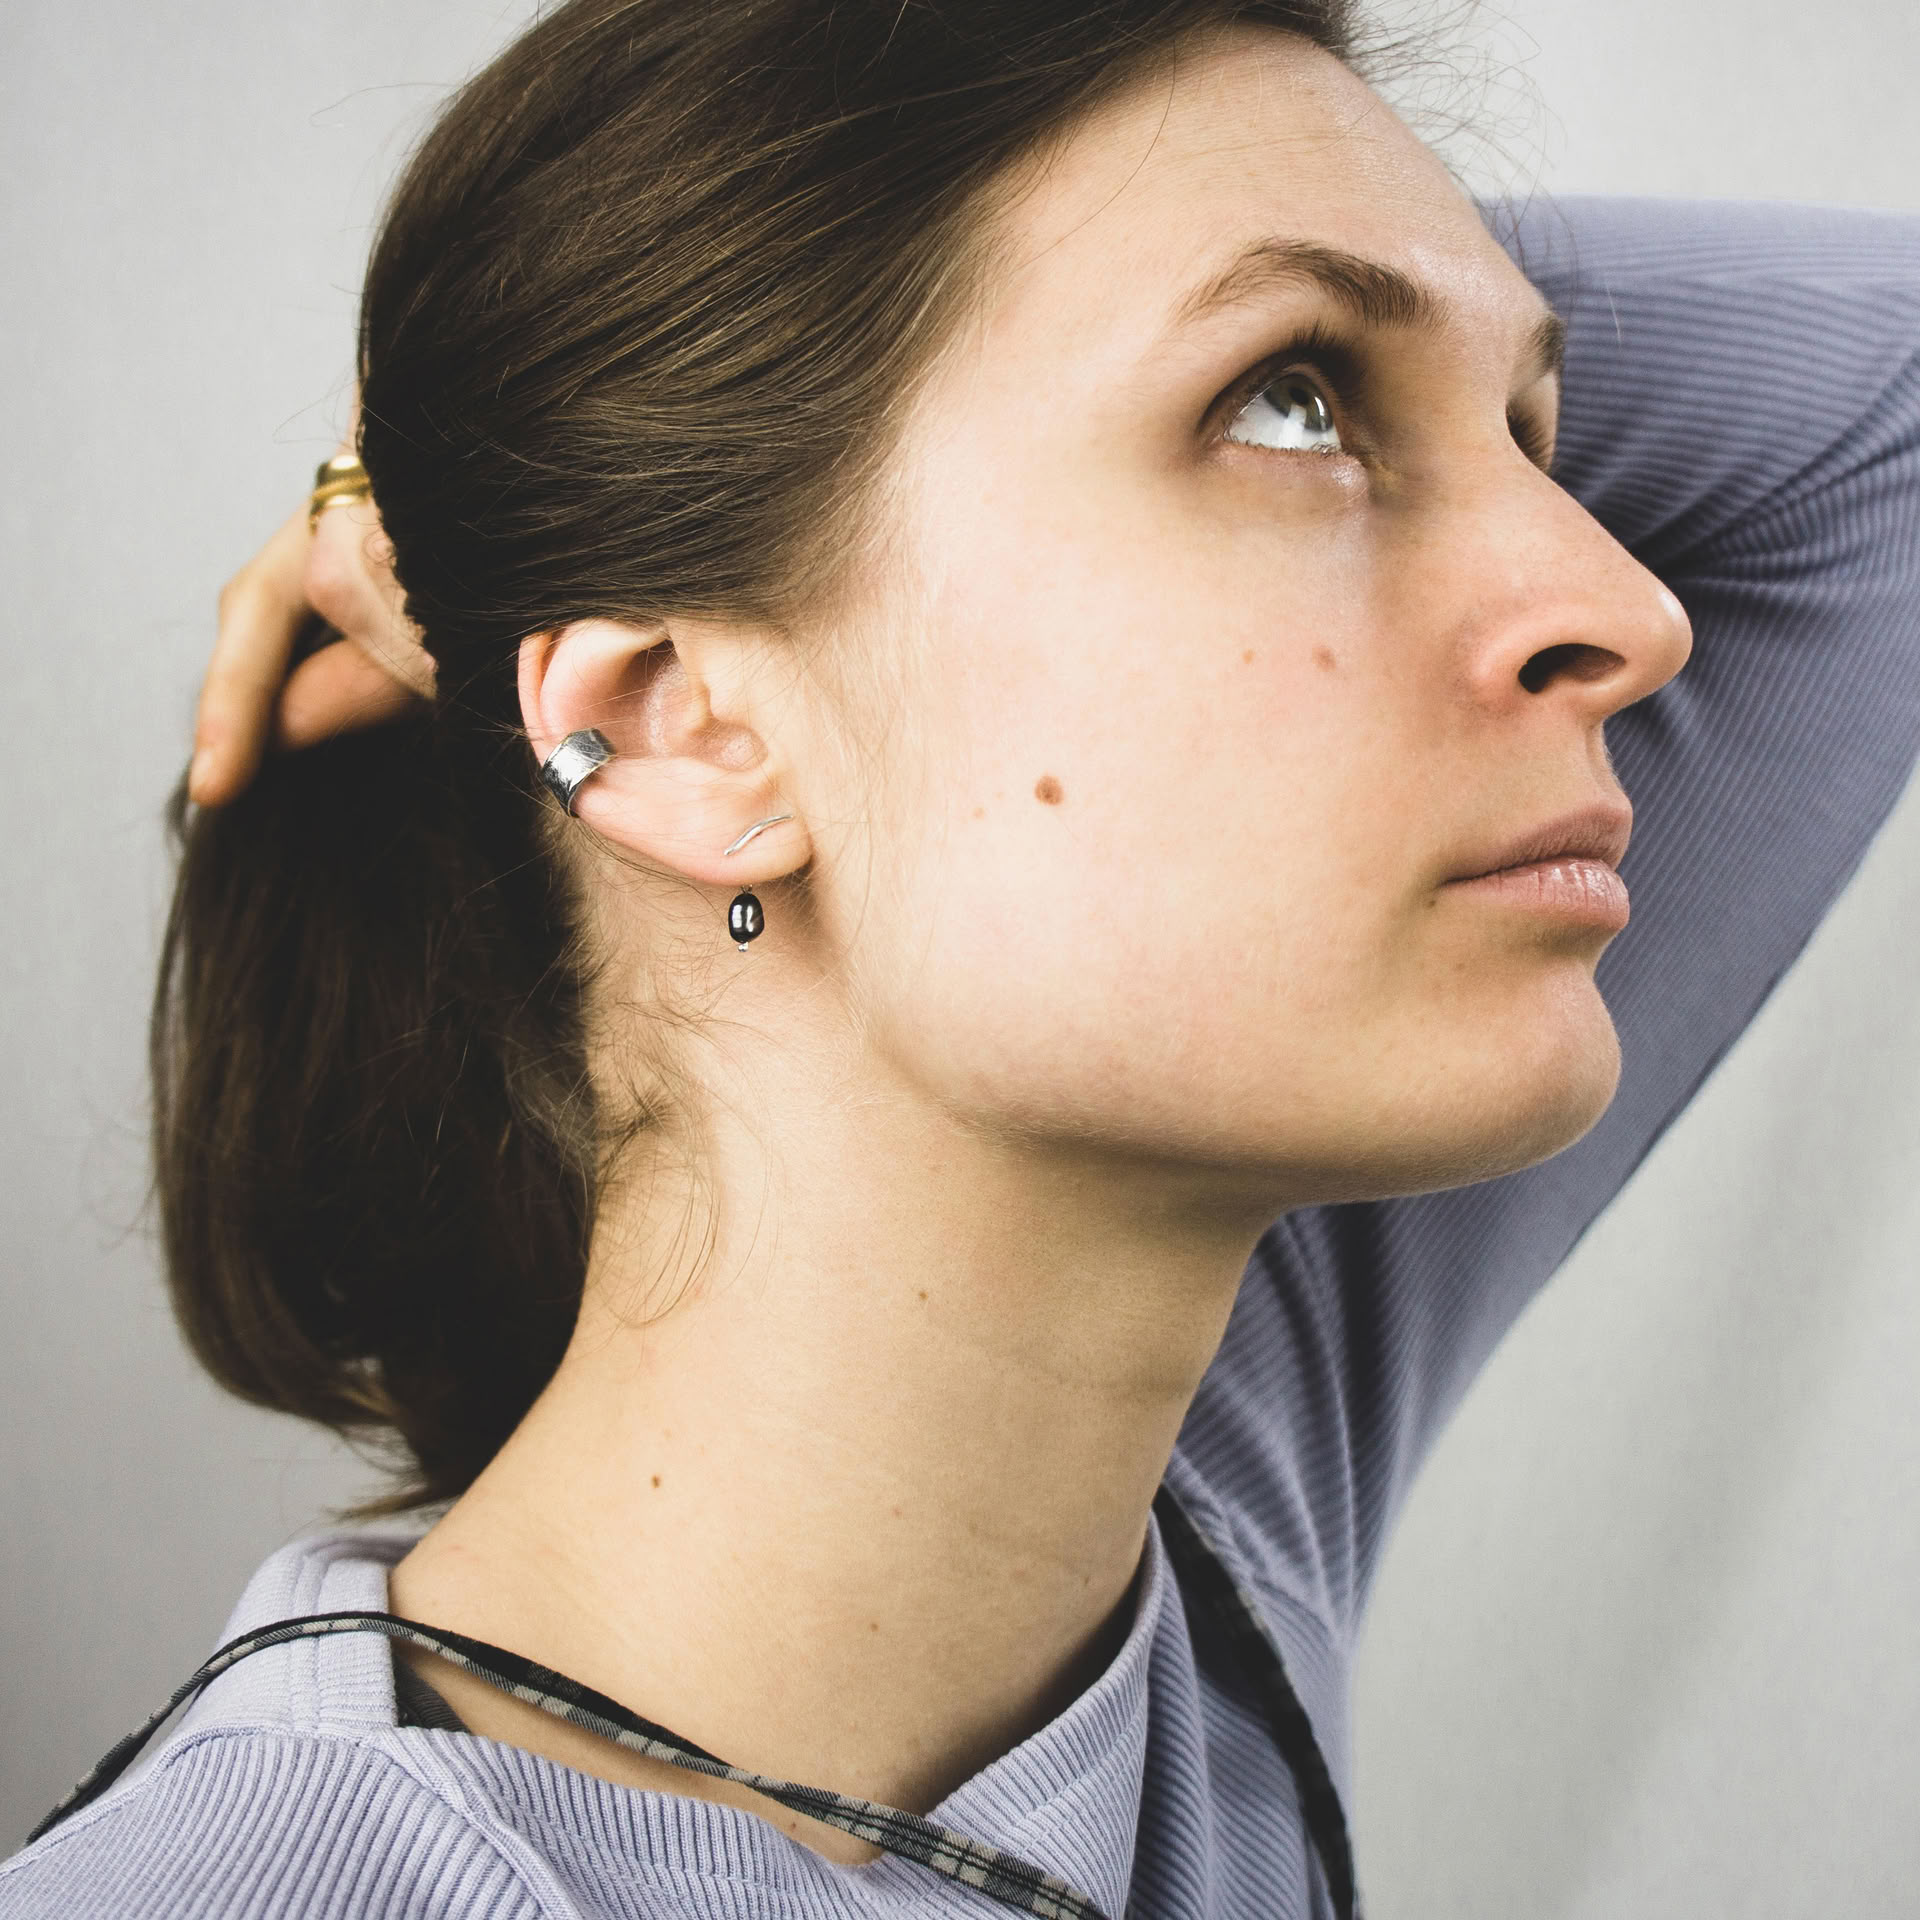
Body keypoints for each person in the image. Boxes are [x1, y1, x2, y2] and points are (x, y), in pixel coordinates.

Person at [5, 0, 1918, 1914]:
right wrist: (544, 435)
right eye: (1289, 400)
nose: (1625, 603)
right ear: (678, 728)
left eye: (1533, 433)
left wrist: (476, 460)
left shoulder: (1194, 1554)